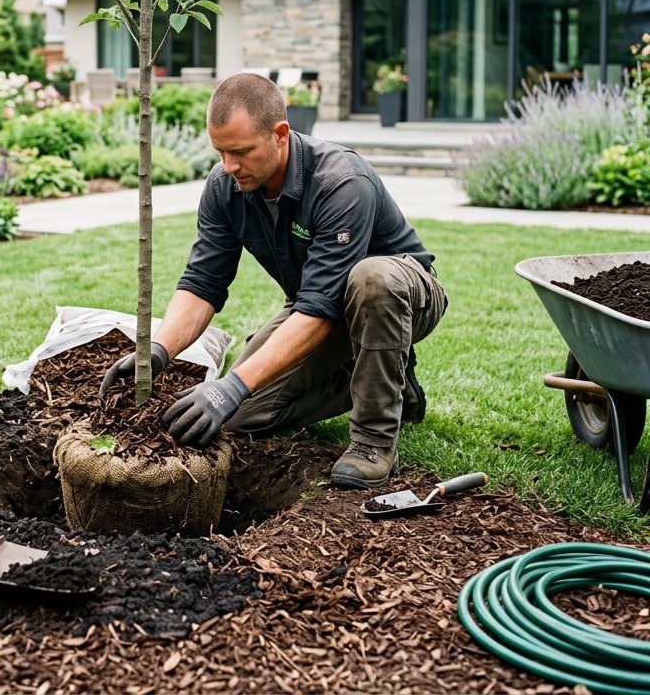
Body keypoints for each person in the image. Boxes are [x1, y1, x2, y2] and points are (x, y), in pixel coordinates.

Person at [100, 73, 447, 489]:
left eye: (241, 152)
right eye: (221, 152)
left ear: (280, 134)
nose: (229, 167)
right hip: (318, 305)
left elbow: (321, 307)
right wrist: (157, 350)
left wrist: (232, 384)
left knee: (370, 279)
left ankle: (373, 440)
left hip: (402, 294)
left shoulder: (340, 182)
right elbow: (202, 284)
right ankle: (392, 381)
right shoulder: (224, 186)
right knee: (243, 415)